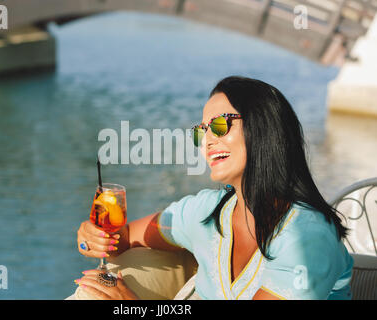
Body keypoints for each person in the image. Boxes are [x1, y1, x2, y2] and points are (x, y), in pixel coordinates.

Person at [75, 76, 354, 300]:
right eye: (202, 130)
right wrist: (92, 238)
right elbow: (122, 238)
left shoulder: (307, 236)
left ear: (263, 128)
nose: (207, 141)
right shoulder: (206, 212)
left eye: (220, 125)